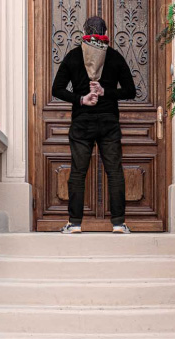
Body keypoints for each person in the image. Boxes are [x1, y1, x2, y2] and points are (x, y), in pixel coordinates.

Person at [51, 16, 136, 234]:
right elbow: (130, 90)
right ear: (106, 32)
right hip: (109, 121)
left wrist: (82, 99)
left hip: (82, 122)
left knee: (78, 172)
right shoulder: (115, 57)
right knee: (114, 171)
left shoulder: (73, 56)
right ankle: (118, 223)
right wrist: (106, 92)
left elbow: (57, 89)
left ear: (84, 32)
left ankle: (74, 223)